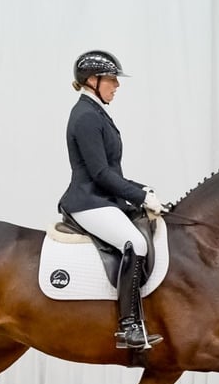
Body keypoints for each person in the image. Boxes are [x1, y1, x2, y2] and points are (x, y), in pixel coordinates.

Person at [58, 50, 164, 350]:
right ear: (92, 80)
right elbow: (101, 173)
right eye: (112, 80)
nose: (116, 86)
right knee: (137, 244)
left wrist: (145, 191)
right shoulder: (85, 117)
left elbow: (112, 172)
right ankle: (128, 326)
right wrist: (140, 196)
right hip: (87, 200)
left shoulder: (97, 113)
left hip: (102, 198)